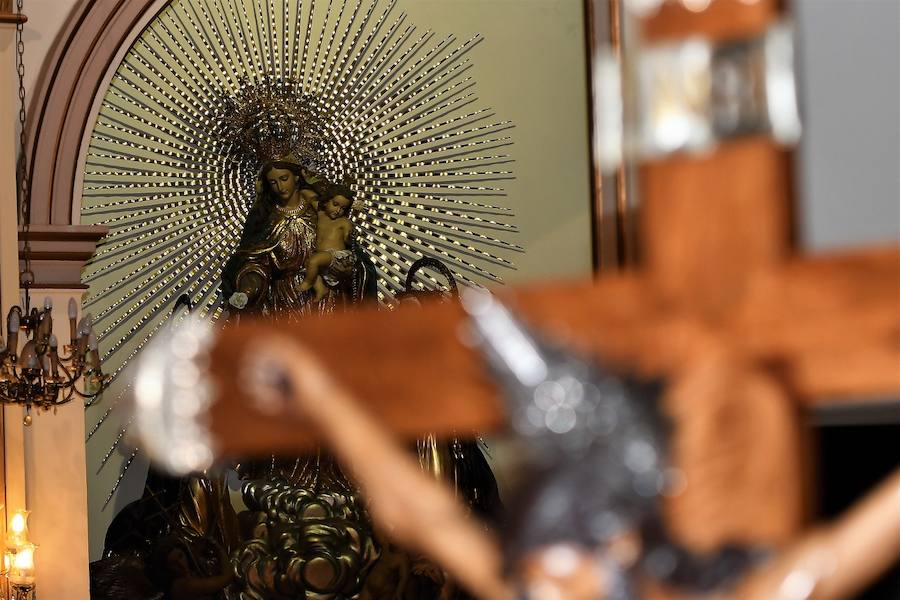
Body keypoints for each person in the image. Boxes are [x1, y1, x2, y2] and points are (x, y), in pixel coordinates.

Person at [299, 185, 356, 301]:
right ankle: (320, 289)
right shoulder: (320, 214)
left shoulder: (344, 222)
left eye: (343, 208)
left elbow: (347, 240)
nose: (338, 210)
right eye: (335, 204)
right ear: (325, 202)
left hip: (337, 257)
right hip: (323, 259)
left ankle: (307, 283)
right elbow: (309, 196)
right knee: (309, 264)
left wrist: (351, 236)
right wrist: (300, 187)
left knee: (314, 261)